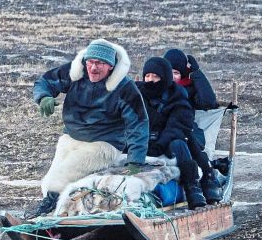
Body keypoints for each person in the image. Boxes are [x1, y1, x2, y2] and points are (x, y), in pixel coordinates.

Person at [28, 39, 149, 217]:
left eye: (99, 63)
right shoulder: (75, 73)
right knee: (48, 182)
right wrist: (44, 96)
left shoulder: (125, 88)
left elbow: (138, 123)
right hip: (71, 138)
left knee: (61, 177)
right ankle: (58, 211)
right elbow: (45, 81)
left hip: (103, 144)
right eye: (90, 62)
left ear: (110, 66)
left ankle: (46, 212)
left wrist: (135, 161)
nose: (93, 68)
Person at [137, 57, 207, 209]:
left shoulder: (177, 97)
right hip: (141, 143)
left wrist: (159, 145)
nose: (150, 80)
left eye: (155, 76)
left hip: (166, 145)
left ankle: (193, 188)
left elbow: (176, 127)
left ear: (165, 78)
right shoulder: (137, 95)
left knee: (179, 143)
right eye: (147, 76)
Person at [164, 48, 226, 202]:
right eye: (169, 72)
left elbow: (209, 102)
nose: (172, 77)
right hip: (163, 132)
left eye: (176, 73)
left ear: (183, 74)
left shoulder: (189, 90)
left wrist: (196, 73)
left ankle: (206, 177)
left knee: (184, 142)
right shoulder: (156, 88)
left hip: (188, 132)